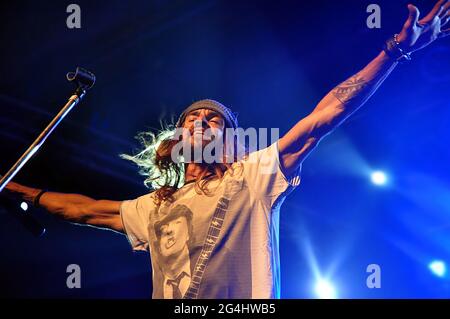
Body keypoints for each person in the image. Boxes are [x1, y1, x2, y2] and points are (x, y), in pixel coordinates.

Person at [3, 1, 450, 299]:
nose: (201, 121)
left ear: (230, 140)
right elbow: (83, 209)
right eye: (192, 118)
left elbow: (325, 116)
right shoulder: (154, 207)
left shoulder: (252, 175)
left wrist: (394, 51)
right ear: (174, 141)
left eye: (214, 119)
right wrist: (15, 188)